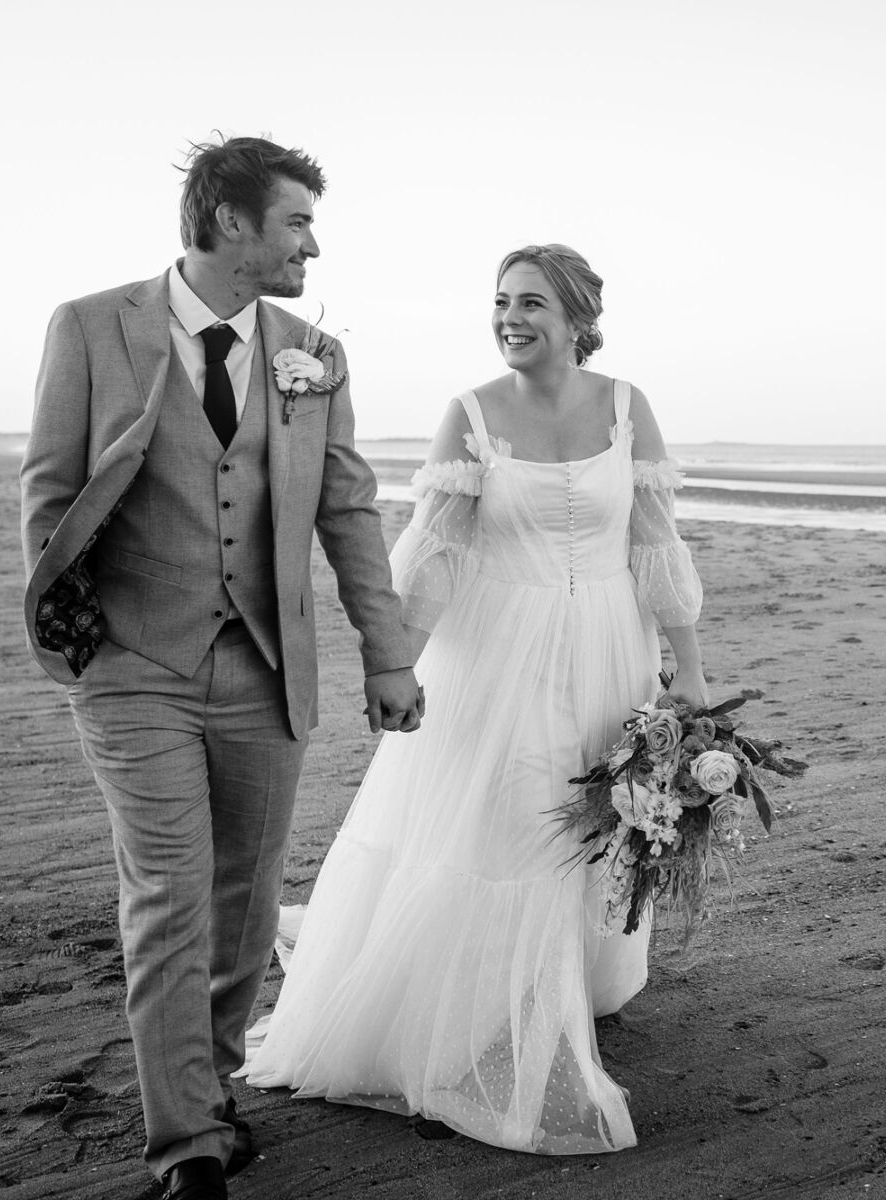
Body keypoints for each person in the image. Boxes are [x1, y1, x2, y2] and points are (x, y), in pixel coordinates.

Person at [19, 136, 425, 1200]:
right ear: (232, 223)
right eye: (297, 222)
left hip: (265, 665)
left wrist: (389, 655)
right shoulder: (92, 326)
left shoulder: (312, 356)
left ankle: (211, 1078)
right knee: (167, 895)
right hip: (133, 663)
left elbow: (347, 509)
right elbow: (50, 491)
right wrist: (73, 636)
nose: (313, 245)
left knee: (244, 903)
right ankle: (188, 1143)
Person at [240, 244, 708, 1154]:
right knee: (511, 818)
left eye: (531, 303)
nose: (509, 318)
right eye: (499, 302)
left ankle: (562, 977)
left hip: (612, 642)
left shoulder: (626, 404)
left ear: (578, 316)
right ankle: (488, 1014)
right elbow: (435, 551)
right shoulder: (470, 413)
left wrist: (685, 667)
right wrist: (396, 660)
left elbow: (654, 540)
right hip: (497, 650)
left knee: (592, 820)